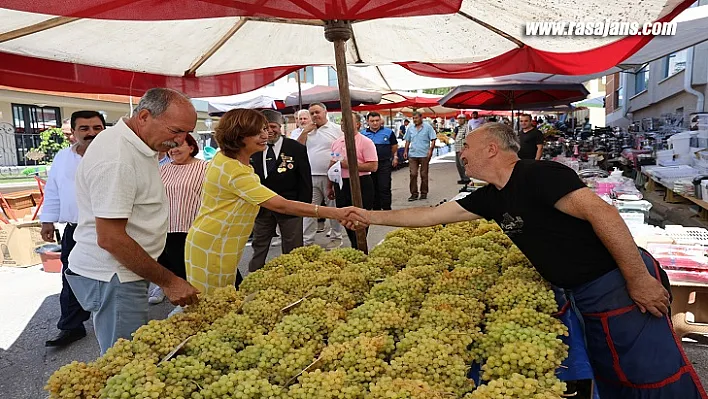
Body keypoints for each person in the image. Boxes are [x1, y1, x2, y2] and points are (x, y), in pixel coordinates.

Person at [343, 122, 707, 399]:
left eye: (465, 146)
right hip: (586, 290)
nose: (461, 153)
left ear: (490, 149)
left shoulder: (539, 175)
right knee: (614, 365)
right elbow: (426, 216)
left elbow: (605, 215)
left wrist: (638, 280)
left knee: (650, 368)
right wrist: (368, 216)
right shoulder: (492, 197)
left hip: (617, 280)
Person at [66, 88, 200, 354]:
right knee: (126, 362)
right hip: (114, 276)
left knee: (128, 355)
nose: (181, 140)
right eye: (175, 131)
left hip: (122, 274)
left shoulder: (134, 144)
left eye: (186, 132)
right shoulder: (117, 158)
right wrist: (170, 281)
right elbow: (111, 238)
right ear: (144, 117)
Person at [185, 109, 354, 295]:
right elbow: (282, 205)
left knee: (223, 297)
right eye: (258, 132)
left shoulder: (227, 158)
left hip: (219, 241)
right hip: (215, 245)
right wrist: (337, 213)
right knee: (211, 306)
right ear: (238, 136)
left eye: (266, 129)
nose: (266, 135)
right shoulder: (234, 170)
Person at [41, 110, 106, 348]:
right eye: (85, 129)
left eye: (97, 128)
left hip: (109, 230)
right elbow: (53, 191)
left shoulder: (114, 156)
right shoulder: (62, 158)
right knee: (71, 277)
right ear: (74, 133)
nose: (91, 133)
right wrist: (47, 220)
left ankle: (113, 323)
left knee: (113, 278)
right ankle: (71, 326)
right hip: (75, 230)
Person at [247, 110, 312, 272]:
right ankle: (255, 275)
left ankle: (295, 276)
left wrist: (303, 205)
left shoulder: (295, 148)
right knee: (259, 245)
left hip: (290, 205)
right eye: (264, 128)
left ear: (281, 127)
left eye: (273, 126)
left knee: (293, 246)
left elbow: (305, 178)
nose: (269, 131)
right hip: (261, 208)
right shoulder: (252, 149)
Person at [148, 134, 208, 304]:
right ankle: (186, 303)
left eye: (179, 145)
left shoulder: (206, 168)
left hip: (194, 226)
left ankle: (201, 303)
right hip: (166, 227)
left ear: (191, 147)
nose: (174, 150)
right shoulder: (162, 169)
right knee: (174, 267)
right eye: (171, 147)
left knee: (197, 269)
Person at [296, 102, 344, 249]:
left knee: (332, 208)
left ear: (325, 112)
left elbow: (344, 148)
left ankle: (336, 237)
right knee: (309, 209)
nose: (315, 115)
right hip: (310, 176)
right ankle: (307, 241)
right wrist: (305, 132)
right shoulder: (306, 131)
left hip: (330, 176)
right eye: (312, 113)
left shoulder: (336, 130)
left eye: (317, 112)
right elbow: (297, 148)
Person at [327, 112, 378, 250]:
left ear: (358, 124)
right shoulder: (337, 142)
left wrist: (350, 165)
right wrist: (330, 185)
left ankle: (360, 248)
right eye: (342, 121)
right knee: (345, 217)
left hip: (361, 183)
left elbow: (373, 166)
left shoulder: (365, 142)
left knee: (360, 218)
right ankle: (355, 245)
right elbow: (332, 163)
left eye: (348, 120)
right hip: (340, 184)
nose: (344, 123)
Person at [362, 112, 398, 211]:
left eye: (377, 120)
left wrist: (392, 156)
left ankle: (387, 209)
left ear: (380, 121)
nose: (375, 123)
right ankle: (376, 209)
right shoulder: (363, 134)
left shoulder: (389, 132)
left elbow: (394, 146)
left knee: (384, 186)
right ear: (367, 122)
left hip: (384, 163)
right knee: (372, 187)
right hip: (369, 164)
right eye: (372, 121)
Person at [403, 111, 436, 201]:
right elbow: (407, 140)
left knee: (423, 174)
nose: (415, 120)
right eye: (413, 118)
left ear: (421, 118)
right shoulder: (410, 128)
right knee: (413, 174)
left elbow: (433, 139)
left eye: (416, 118)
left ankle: (424, 193)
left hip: (424, 154)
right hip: (413, 154)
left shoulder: (428, 127)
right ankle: (414, 193)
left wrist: (430, 150)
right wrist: (405, 151)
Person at [453, 114, 471, 185]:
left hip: (462, 149)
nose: (459, 120)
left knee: (463, 164)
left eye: (461, 118)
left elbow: (468, 137)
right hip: (457, 148)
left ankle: (467, 178)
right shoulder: (458, 128)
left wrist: (464, 148)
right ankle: (463, 178)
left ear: (464, 119)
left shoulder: (466, 127)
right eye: (458, 119)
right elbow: (455, 136)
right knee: (458, 165)